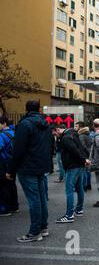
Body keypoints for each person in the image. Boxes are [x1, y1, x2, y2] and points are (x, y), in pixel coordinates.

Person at [7, 101, 52, 242]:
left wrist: (10, 170)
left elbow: (18, 150)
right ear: (39, 109)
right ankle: (43, 228)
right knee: (41, 199)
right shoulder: (46, 125)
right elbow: (50, 146)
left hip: (28, 167)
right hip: (41, 166)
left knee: (34, 200)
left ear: (26, 109)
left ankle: (34, 232)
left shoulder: (24, 124)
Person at [54, 124, 90, 223]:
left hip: (72, 166)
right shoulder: (73, 134)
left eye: (55, 133)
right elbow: (81, 148)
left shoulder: (66, 138)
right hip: (79, 165)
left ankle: (69, 215)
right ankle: (79, 210)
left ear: (58, 130)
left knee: (69, 190)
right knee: (79, 188)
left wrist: (84, 159)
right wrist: (84, 160)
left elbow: (74, 150)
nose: (55, 135)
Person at [0, 116, 18, 217]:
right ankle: (14, 206)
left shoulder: (2, 135)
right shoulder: (14, 133)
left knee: (3, 186)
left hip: (4, 163)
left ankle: (5, 209)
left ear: (4, 124)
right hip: (13, 162)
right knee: (12, 184)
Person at [77, 123, 93, 191]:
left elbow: (82, 146)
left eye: (76, 126)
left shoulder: (81, 135)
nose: (75, 127)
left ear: (80, 128)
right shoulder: (88, 134)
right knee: (88, 171)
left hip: (85, 154)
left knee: (84, 171)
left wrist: (84, 154)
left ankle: (84, 185)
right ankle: (88, 185)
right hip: (89, 154)